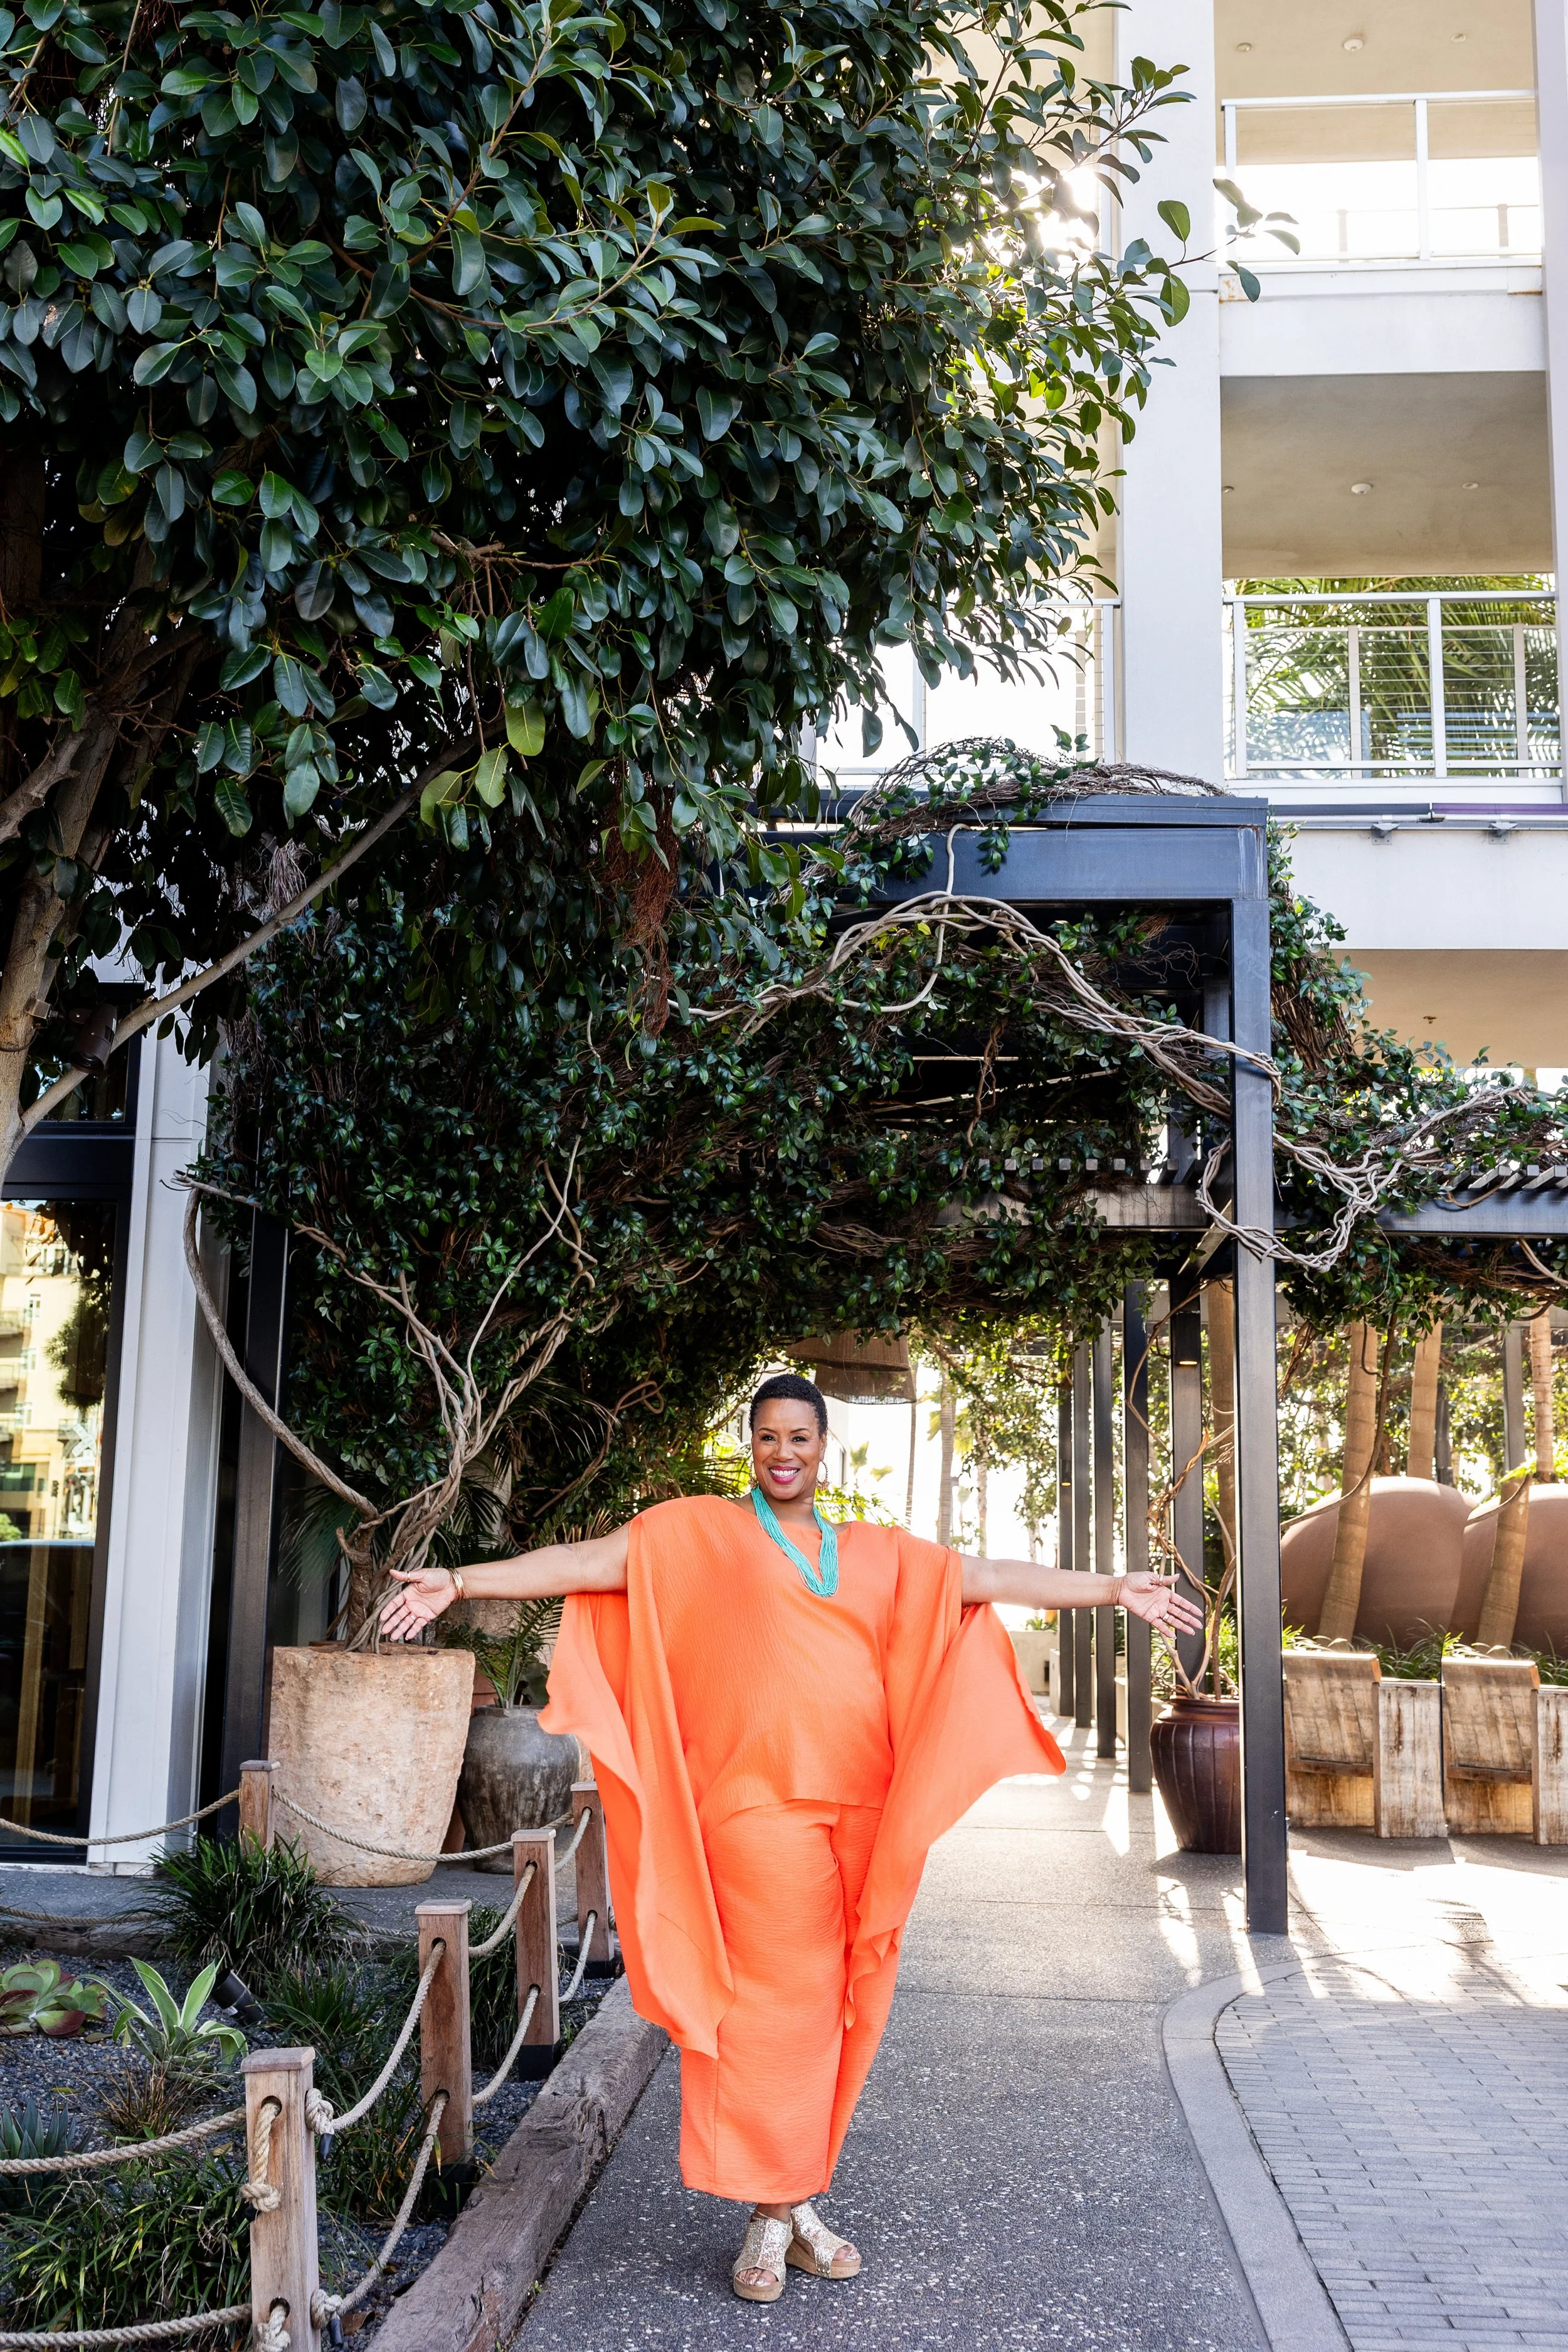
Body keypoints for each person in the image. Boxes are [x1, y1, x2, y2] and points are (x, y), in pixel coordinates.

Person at [381, 1370, 1202, 2303]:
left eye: (800, 1439)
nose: (783, 1453)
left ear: (823, 1448)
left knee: (839, 2006)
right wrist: (457, 1580)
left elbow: (984, 1576)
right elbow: (583, 1562)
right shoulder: (697, 1533)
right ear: (750, 1442)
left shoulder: (870, 1551)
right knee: (776, 2007)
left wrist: (1112, 1587)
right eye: (768, 1437)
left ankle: (791, 2203)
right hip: (755, 1815)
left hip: (860, 1816)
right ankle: (775, 2219)